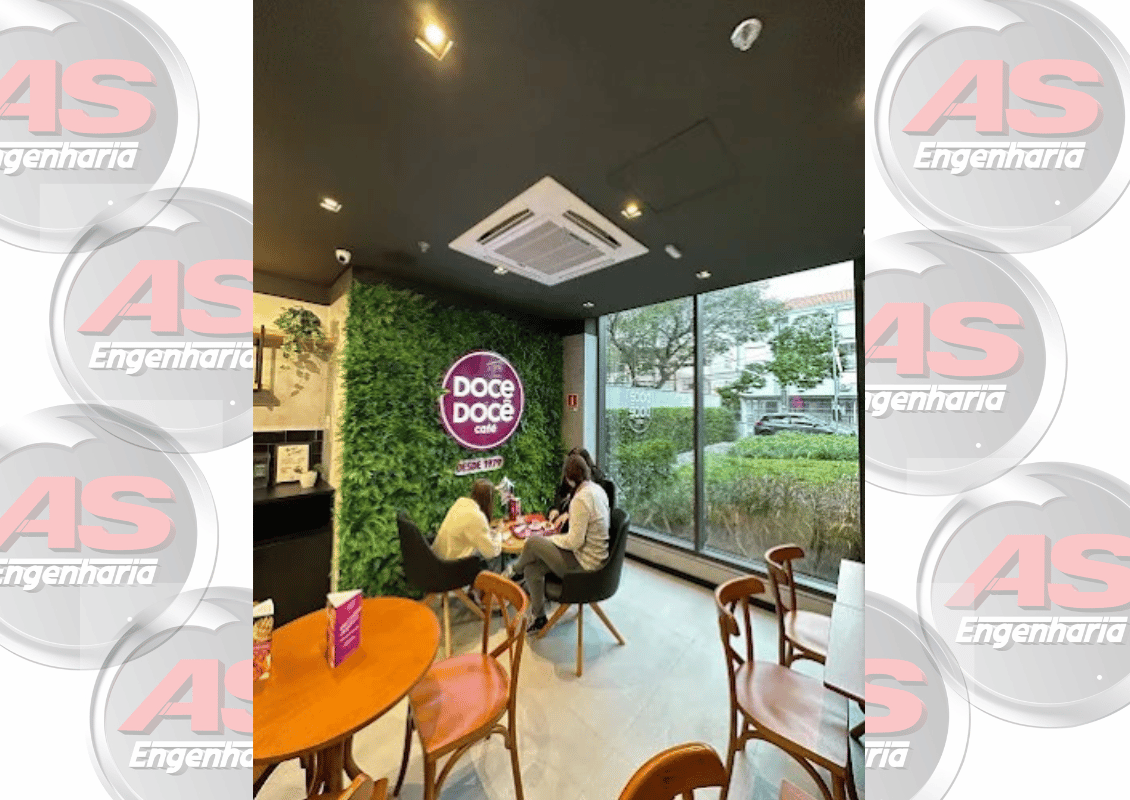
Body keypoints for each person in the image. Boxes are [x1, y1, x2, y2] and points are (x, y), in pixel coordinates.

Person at [517, 453, 610, 632]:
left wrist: (550, 539)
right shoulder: (598, 490)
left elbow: (574, 542)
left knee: (532, 542)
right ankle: (539, 617)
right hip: (595, 558)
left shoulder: (581, 499)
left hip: (585, 565)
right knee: (532, 569)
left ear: (569, 479)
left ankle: (514, 571)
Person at [433, 479, 502, 561]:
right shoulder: (477, 517)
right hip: (451, 564)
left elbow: (467, 530)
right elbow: (491, 552)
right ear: (489, 500)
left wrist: (488, 532)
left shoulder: (461, 502)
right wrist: (499, 533)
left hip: (435, 558)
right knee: (493, 559)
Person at [547, 447, 607, 529]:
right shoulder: (570, 476)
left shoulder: (594, 485)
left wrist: (569, 515)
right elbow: (561, 493)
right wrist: (556, 509)